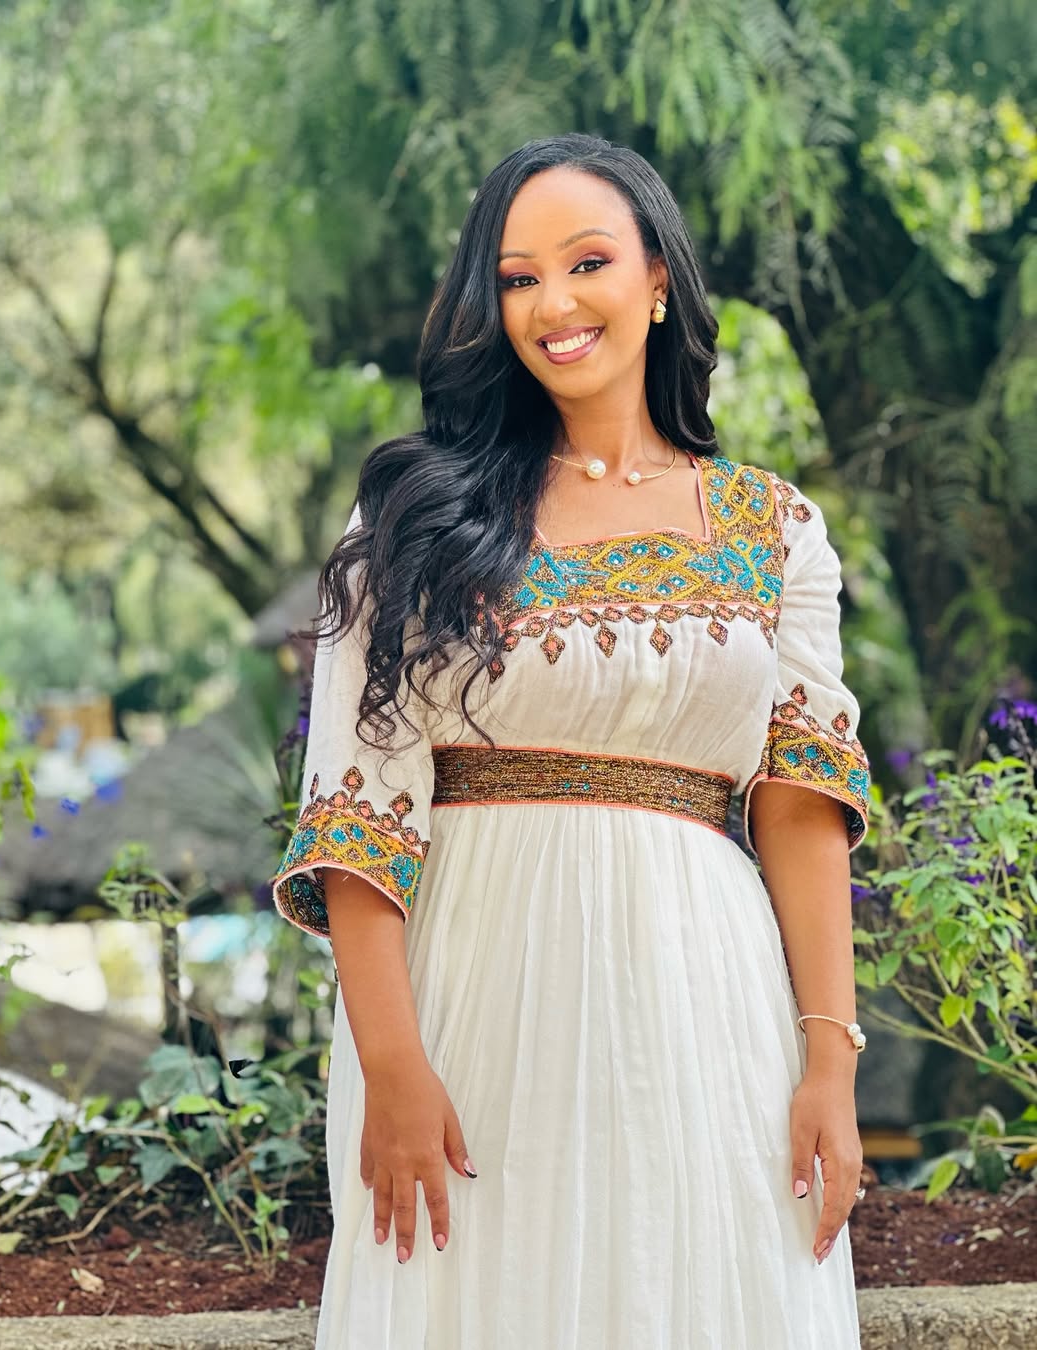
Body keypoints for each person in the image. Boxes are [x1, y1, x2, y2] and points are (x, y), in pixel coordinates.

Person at [272, 133, 871, 1349]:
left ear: (658, 280)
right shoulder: (414, 517)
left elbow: (800, 810)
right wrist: (392, 1066)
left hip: (709, 1002)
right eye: (517, 278)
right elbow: (356, 812)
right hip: (469, 998)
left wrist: (830, 1062)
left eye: (587, 262)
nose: (553, 303)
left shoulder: (775, 530)